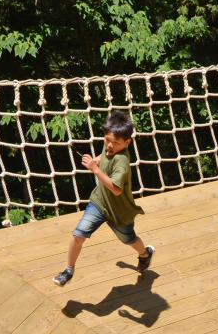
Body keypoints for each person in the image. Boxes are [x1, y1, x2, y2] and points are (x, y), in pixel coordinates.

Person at [55, 109, 155, 286]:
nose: (109, 145)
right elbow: (104, 154)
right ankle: (68, 270)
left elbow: (116, 190)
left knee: (129, 239)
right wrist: (96, 160)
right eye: (107, 140)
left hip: (119, 212)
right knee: (78, 234)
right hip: (99, 203)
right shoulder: (109, 145)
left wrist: (95, 169)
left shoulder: (122, 162)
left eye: (115, 143)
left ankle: (145, 254)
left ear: (127, 143)